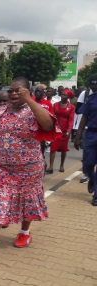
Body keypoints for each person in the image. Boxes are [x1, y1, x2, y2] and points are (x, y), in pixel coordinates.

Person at [0, 77, 55, 260]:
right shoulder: (1, 112)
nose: (14, 93)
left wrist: (30, 101)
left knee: (28, 199)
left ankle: (25, 232)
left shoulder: (34, 111)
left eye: (20, 91)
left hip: (29, 169)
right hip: (3, 168)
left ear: (29, 92)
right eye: (12, 90)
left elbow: (48, 125)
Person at [74, 73, 97, 206]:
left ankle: (96, 195)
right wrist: (78, 136)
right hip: (91, 134)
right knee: (88, 164)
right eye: (92, 83)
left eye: (96, 83)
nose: (94, 86)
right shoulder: (91, 99)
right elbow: (84, 118)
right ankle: (92, 180)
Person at [46, 90, 75, 173]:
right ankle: (51, 167)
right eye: (62, 94)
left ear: (68, 97)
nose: (63, 96)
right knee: (53, 148)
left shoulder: (71, 107)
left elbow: (71, 119)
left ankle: (61, 165)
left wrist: (69, 130)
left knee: (63, 149)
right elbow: (52, 116)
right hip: (56, 129)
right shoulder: (55, 105)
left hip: (65, 130)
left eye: (65, 95)